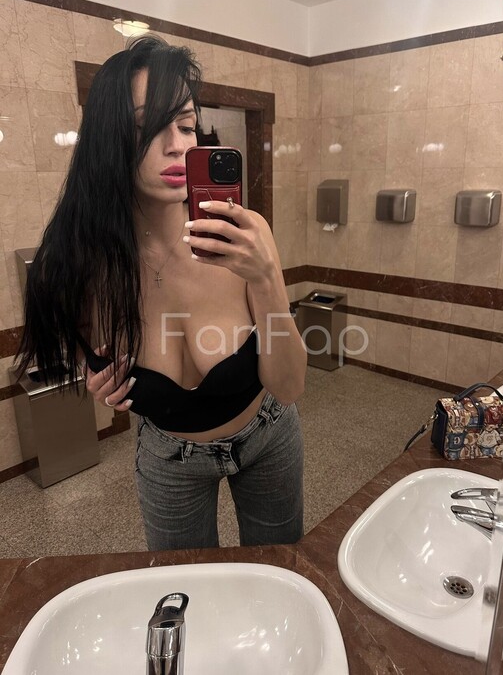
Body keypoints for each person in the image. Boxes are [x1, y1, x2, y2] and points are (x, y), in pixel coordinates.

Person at [16, 34, 307, 551]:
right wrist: (97, 378)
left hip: (268, 436)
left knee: (279, 569)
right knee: (181, 586)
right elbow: (89, 362)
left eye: (186, 125)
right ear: (108, 139)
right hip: (168, 457)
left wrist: (266, 279)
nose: (178, 145)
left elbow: (288, 386)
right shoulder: (83, 267)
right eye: (147, 127)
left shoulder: (242, 236)